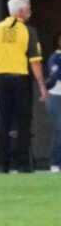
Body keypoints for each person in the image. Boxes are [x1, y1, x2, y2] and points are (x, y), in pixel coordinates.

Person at [0, 0, 47, 172]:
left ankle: (2, 164)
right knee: (23, 122)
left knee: (4, 121)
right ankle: (22, 164)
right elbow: (34, 61)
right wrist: (42, 85)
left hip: (1, 79)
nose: (30, 12)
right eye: (28, 9)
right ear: (20, 12)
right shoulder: (29, 31)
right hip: (20, 79)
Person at [45, 34, 61, 173]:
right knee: (59, 129)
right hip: (55, 95)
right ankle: (55, 162)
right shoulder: (55, 57)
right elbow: (54, 74)